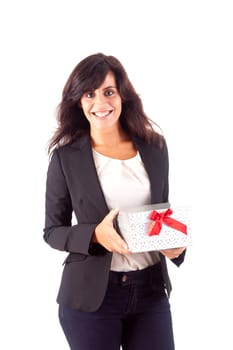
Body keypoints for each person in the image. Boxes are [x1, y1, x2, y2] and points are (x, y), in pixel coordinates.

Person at [43, 53, 186, 350]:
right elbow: (52, 231)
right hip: (92, 298)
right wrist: (94, 234)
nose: (101, 103)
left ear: (123, 95)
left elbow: (162, 213)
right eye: (89, 94)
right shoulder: (66, 158)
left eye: (109, 92)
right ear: (79, 101)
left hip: (150, 292)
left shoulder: (155, 147)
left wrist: (176, 245)